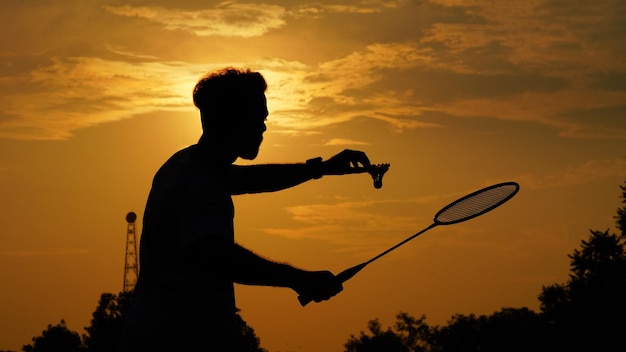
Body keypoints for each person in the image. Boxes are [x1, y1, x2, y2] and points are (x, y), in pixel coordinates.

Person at [119, 67, 372, 352]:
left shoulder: (184, 165)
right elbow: (214, 254)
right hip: (182, 339)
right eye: (257, 118)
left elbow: (250, 179)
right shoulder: (203, 185)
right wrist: (298, 279)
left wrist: (321, 169)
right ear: (233, 119)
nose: (264, 126)